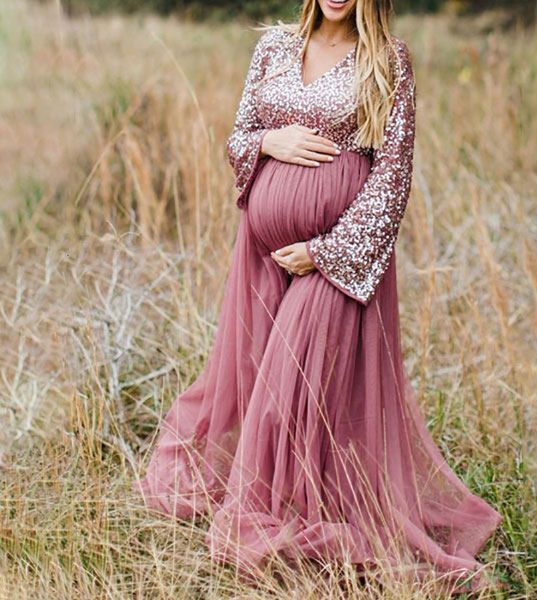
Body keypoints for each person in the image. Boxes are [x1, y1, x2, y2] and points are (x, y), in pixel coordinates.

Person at [135, 0, 503, 592]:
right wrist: (270, 141)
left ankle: (283, 519)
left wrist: (327, 253)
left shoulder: (388, 61)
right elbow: (238, 138)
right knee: (258, 380)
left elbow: (393, 178)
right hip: (260, 255)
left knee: (292, 387)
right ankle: (287, 504)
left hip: (332, 259)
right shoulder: (273, 48)